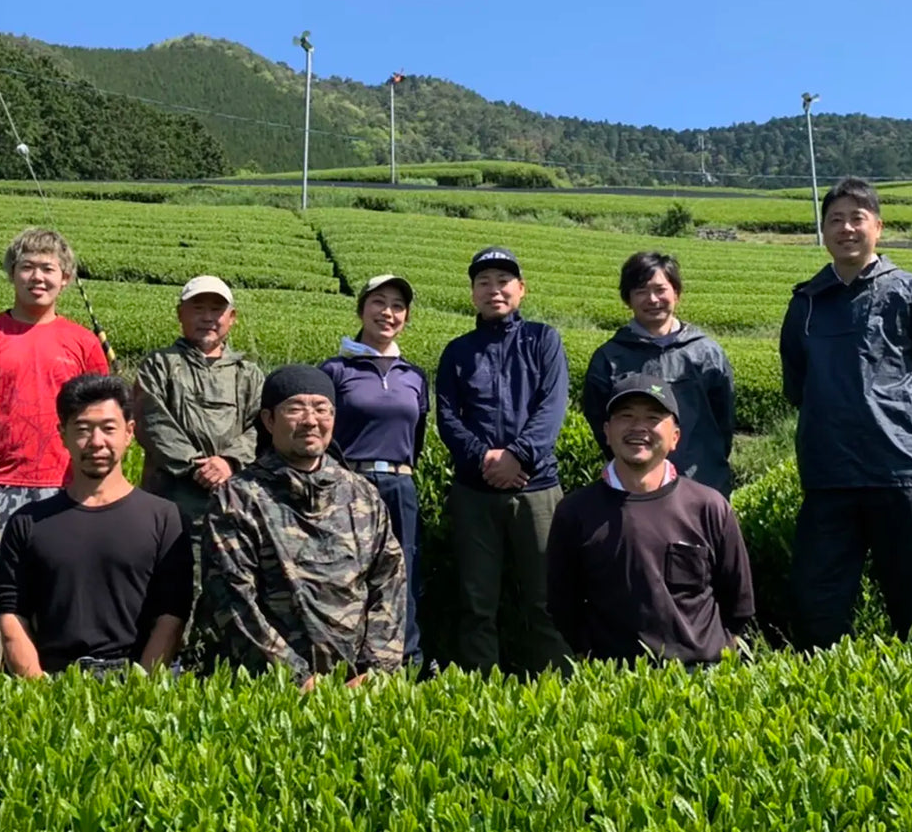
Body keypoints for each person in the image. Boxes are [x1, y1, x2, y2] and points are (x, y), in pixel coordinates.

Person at [780, 177, 912, 650]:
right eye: (835, 220)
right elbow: (799, 385)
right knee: (818, 610)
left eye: (856, 218)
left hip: (904, 472)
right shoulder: (804, 304)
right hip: (828, 476)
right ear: (822, 231)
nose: (846, 228)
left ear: (878, 227)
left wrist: (901, 427)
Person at [0, 227, 110, 673]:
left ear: (65, 279)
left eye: (48, 268)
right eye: (27, 267)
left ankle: (48, 689)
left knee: (58, 596)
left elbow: (100, 418)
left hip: (62, 488)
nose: (38, 277)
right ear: (11, 273)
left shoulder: (82, 343)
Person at [201, 365, 406, 689]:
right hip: (272, 691)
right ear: (268, 420)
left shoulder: (362, 494)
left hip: (360, 690)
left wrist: (375, 671)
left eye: (321, 409)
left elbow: (389, 583)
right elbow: (232, 600)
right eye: (295, 409)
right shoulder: (238, 498)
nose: (311, 420)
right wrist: (297, 679)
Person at [549, 375, 755, 665]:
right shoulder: (575, 511)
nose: (638, 427)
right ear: (606, 432)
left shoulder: (709, 506)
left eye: (653, 417)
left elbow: (739, 603)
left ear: (675, 437)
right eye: (626, 416)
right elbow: (563, 604)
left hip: (701, 677)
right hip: (614, 680)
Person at [0, 375, 189, 678]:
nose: (96, 442)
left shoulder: (163, 518)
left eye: (108, 429)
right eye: (83, 429)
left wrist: (145, 689)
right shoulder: (28, 523)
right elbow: (11, 614)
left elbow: (172, 615)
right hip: (53, 680)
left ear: (129, 432)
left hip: (136, 677)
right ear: (63, 435)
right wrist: (38, 689)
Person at [436, 246, 572, 675]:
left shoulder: (544, 340)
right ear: (473, 293)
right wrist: (486, 461)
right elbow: (446, 418)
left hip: (538, 489)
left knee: (547, 598)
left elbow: (552, 408)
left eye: (503, 281)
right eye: (483, 282)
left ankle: (555, 687)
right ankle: (481, 688)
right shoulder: (458, 351)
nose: (494, 290)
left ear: (521, 289)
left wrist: (517, 456)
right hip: (475, 492)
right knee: (476, 601)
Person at [319, 274, 430, 665]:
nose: (388, 313)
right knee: (345, 571)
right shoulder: (335, 370)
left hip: (400, 485)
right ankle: (343, 660)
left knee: (404, 572)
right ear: (362, 309)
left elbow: (416, 441)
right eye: (378, 302)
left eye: (397, 306)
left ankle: (405, 660)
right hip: (351, 483)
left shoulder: (414, 376)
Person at [582, 251, 737, 496]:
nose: (652, 299)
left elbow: (724, 420)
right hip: (634, 485)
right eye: (641, 291)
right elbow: (600, 421)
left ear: (676, 293)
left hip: (702, 482)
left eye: (660, 289)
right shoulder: (609, 358)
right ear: (628, 299)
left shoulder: (706, 352)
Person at [135, 275, 265, 525]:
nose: (207, 318)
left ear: (232, 317)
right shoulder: (158, 364)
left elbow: (260, 428)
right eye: (198, 308)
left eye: (216, 310)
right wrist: (196, 467)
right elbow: (152, 422)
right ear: (180, 314)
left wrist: (229, 461)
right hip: (168, 503)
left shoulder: (248, 374)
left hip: (232, 504)